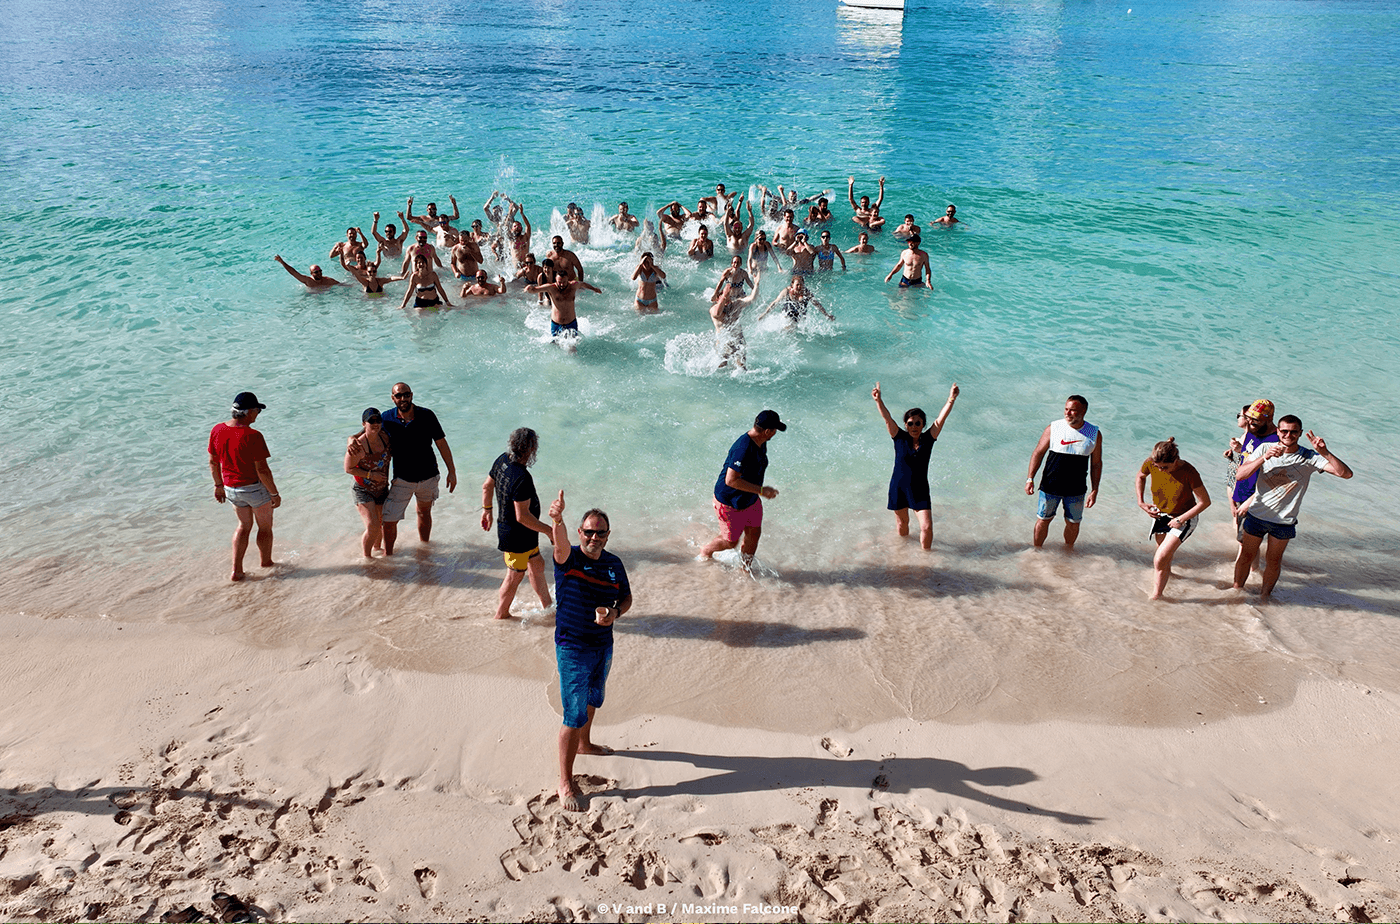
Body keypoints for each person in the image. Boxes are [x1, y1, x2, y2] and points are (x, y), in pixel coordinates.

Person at [548, 492, 631, 812]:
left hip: (603, 645)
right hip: (572, 647)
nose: (594, 537)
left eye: (600, 532)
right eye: (588, 531)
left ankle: (585, 744)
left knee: (595, 698)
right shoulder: (568, 559)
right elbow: (558, 544)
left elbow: (626, 598)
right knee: (573, 714)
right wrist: (557, 520)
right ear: (579, 533)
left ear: (608, 535)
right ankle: (565, 781)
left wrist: (615, 615)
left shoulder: (614, 564)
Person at [1231, 416, 1354, 599]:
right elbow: (1240, 475)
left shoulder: (1309, 457)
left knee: (1273, 561)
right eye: (1284, 431)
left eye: (1293, 431)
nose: (1288, 435)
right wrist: (1265, 457)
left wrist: (1324, 452)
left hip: (1284, 520)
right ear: (1278, 431)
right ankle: (1236, 592)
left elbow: (1346, 474)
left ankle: (1265, 598)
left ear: (1300, 434)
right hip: (1257, 514)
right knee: (1246, 556)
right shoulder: (1265, 448)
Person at [871, 382, 958, 549]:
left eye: (918, 423)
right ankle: (903, 553)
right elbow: (887, 418)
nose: (914, 427)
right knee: (903, 525)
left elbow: (940, 420)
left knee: (926, 527)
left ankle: (926, 559)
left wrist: (951, 398)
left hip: (920, 490)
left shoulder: (928, 439)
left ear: (923, 425)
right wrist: (878, 401)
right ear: (905, 424)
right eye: (910, 423)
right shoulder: (899, 437)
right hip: (899, 487)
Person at [481, 428, 555, 621]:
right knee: (514, 577)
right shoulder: (522, 478)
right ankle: (501, 614)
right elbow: (522, 517)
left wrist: (487, 510)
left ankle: (549, 608)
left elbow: (487, 486)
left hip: (524, 535)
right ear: (531, 450)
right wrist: (549, 531)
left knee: (537, 565)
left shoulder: (502, 460)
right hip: (516, 537)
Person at [208, 392, 281, 581]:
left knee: (243, 526)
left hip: (231, 489)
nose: (257, 414)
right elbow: (262, 470)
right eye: (257, 410)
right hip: (254, 488)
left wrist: (218, 486)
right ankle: (266, 563)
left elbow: (213, 462)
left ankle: (237, 570)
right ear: (249, 412)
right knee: (265, 528)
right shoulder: (254, 436)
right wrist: (274, 493)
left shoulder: (217, 430)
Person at [699, 410, 785, 571]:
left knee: (754, 533)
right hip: (729, 501)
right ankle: (705, 552)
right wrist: (761, 490)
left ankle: (745, 569)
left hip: (749, 499)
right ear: (767, 431)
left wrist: (757, 492)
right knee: (730, 542)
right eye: (774, 430)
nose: (775, 433)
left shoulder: (761, 441)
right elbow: (731, 480)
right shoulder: (743, 448)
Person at [380, 383, 457, 554]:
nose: (403, 399)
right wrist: (351, 439)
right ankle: (389, 556)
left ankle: (424, 549)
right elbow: (368, 431)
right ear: (393, 398)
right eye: (398, 396)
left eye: (406, 395)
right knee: (389, 519)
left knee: (424, 512)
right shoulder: (386, 418)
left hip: (428, 476)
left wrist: (452, 471)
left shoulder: (426, 415)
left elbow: (441, 443)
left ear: (412, 395)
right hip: (402, 478)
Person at [1134, 438, 1211, 599]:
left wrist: (1181, 519)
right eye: (1157, 467)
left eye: (1165, 467)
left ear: (1176, 461)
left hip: (1184, 518)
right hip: (1161, 515)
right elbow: (1141, 476)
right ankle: (1168, 576)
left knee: (1160, 558)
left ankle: (1157, 597)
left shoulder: (1189, 472)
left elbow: (1205, 502)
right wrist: (1141, 502)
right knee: (1162, 556)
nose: (1160, 470)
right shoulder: (1151, 463)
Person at [1025, 395, 1103, 550]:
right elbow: (1038, 453)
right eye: (1066, 409)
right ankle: (1036, 551)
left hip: (1076, 489)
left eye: (1073, 410)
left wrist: (1094, 490)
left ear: (1083, 411)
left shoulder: (1093, 433)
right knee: (1043, 520)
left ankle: (1068, 551)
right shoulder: (1054, 428)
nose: (1067, 413)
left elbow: (1096, 464)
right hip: (1050, 485)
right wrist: (1030, 478)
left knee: (1073, 523)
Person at [345, 408, 392, 558]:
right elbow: (348, 468)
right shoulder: (358, 446)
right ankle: (367, 559)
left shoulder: (385, 437)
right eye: (371, 421)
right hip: (363, 489)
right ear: (364, 423)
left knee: (381, 524)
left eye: (378, 420)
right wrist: (371, 475)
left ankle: (377, 552)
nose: (376, 424)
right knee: (372, 526)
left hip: (382, 488)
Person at [1227, 399, 1278, 523]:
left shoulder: (1276, 440)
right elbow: (1246, 459)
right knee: (1240, 540)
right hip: (1240, 494)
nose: (1249, 422)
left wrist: (1250, 501)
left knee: (1246, 541)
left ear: (1269, 418)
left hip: (1257, 501)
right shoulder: (1252, 431)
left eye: (1255, 419)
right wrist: (1234, 494)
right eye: (1248, 418)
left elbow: (1275, 479)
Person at [525, 270, 603, 340]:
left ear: (567, 279)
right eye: (559, 282)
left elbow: (583, 284)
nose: (561, 284)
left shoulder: (573, 285)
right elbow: (536, 289)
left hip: (571, 324)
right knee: (556, 347)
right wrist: (529, 289)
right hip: (556, 324)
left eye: (564, 282)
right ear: (555, 279)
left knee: (572, 348)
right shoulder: (551, 288)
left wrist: (594, 289)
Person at [710, 272, 763, 370]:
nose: (726, 300)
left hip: (738, 342)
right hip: (723, 343)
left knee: (742, 368)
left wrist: (756, 284)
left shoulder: (736, 305)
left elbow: (752, 298)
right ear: (718, 300)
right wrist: (725, 293)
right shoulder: (713, 309)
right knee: (720, 367)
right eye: (722, 298)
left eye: (727, 299)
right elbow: (718, 312)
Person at [757, 274, 833, 328]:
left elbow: (817, 304)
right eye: (797, 285)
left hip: (800, 315)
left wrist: (827, 315)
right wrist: (764, 314)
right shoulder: (786, 291)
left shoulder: (806, 292)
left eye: (801, 284)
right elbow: (775, 303)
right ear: (792, 285)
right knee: (790, 326)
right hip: (788, 313)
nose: (799, 287)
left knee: (799, 324)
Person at [273, 255, 341, 288]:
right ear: (311, 273)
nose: (319, 273)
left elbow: (342, 285)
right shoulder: (308, 280)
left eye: (320, 271)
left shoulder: (328, 280)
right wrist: (282, 262)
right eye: (316, 272)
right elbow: (293, 273)